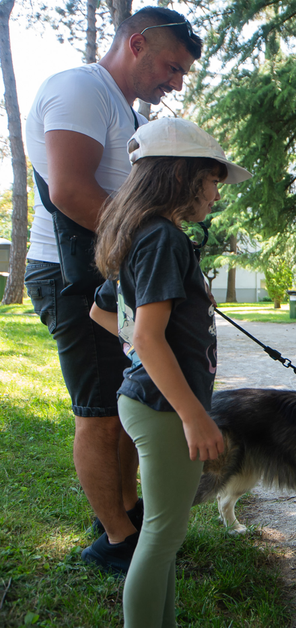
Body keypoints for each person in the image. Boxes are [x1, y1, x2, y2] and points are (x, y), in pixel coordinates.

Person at [22, 6, 203, 573]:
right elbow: (70, 191)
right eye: (171, 67)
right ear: (137, 42)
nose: (174, 83)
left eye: (181, 76)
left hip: (110, 275)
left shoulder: (121, 107)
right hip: (70, 276)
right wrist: (151, 242)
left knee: (124, 404)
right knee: (99, 411)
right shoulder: (80, 89)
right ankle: (119, 544)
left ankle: (124, 513)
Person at [89, 118, 252, 626]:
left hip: (149, 400)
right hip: (163, 409)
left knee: (166, 534)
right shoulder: (162, 239)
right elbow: (146, 335)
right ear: (183, 175)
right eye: (211, 182)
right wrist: (194, 416)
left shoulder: (141, 231)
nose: (215, 196)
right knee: (161, 535)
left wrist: (144, 352)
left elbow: (102, 312)